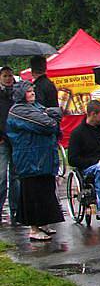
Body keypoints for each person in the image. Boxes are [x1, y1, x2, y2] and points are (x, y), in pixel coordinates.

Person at [5, 80, 63, 241]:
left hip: (43, 158)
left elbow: (56, 115)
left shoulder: (35, 107)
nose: (32, 93)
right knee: (33, 193)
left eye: (33, 91)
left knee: (46, 191)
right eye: (29, 91)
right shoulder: (18, 111)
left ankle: (44, 223)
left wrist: (51, 117)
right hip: (30, 159)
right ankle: (34, 228)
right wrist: (50, 117)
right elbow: (47, 124)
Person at [0, 66, 19, 223]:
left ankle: (15, 210)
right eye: (5, 76)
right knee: (1, 177)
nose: (8, 79)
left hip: (16, 139)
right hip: (2, 141)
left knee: (16, 177)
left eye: (10, 76)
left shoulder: (16, 94)